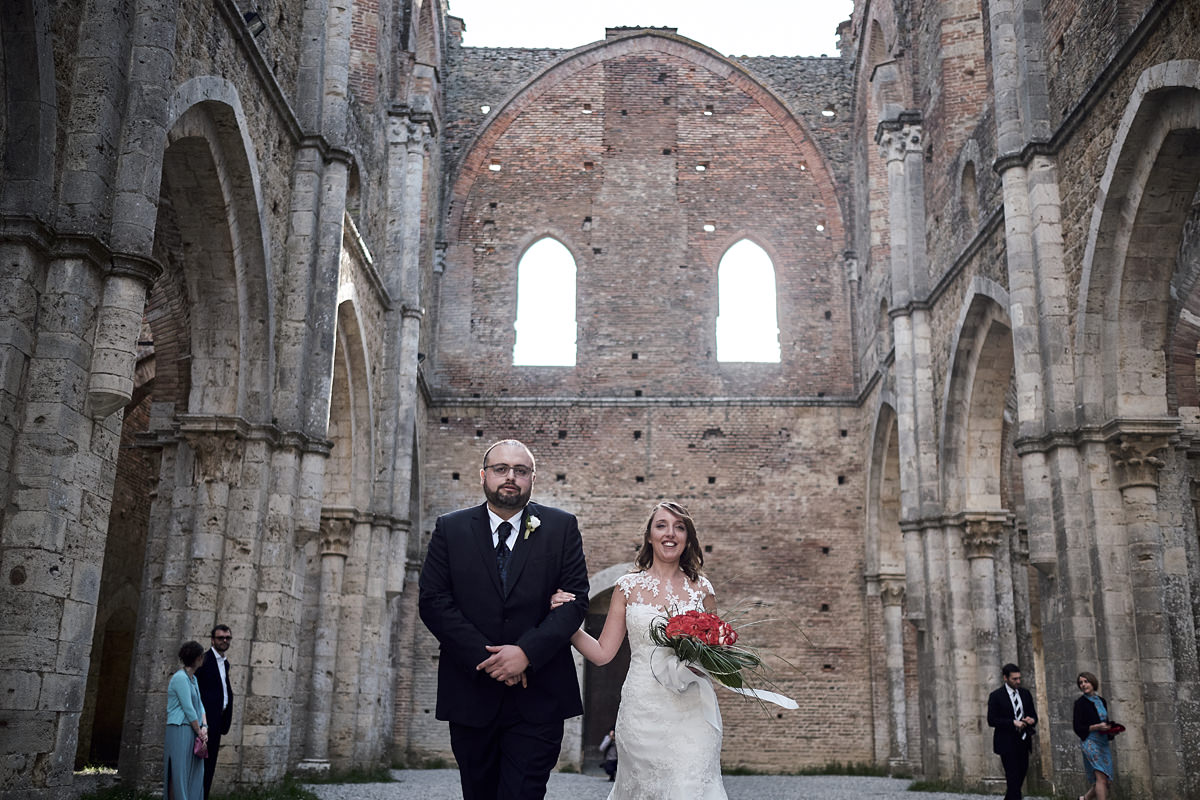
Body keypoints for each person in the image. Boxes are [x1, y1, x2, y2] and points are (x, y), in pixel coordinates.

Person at [418, 439, 590, 800]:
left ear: (532, 478)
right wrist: (492, 659)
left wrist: (526, 652)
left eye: (520, 470)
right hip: (471, 693)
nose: (510, 477)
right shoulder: (450, 529)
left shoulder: (561, 528)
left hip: (539, 696)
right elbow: (433, 603)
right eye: (501, 469)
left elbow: (576, 603)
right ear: (483, 475)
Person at [552, 501, 727, 800]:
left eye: (679, 527)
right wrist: (565, 622)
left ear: (688, 537)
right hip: (642, 710)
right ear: (649, 536)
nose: (670, 534)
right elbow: (602, 653)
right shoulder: (627, 587)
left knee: (692, 787)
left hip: (693, 709)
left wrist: (704, 659)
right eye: (661, 526)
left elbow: (716, 654)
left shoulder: (702, 589)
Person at [986, 662, 1038, 800]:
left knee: (1020, 776)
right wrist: (1012, 722)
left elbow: (1034, 715)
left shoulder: (1025, 694)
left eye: (1019, 678)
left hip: (1024, 741)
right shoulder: (996, 696)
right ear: (1005, 678)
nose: (1018, 681)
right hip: (1006, 742)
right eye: (1014, 679)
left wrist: (1031, 720)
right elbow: (991, 720)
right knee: (1013, 778)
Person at [165, 640, 208, 800]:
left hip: (193, 729)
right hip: (180, 728)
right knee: (179, 771)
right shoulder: (180, 678)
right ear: (197, 658)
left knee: (193, 770)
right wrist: (200, 731)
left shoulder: (193, 679)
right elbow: (188, 709)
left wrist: (205, 726)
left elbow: (200, 705)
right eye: (201, 656)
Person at [195, 624, 234, 799]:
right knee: (199, 764)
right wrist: (200, 721)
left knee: (210, 765)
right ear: (212, 640)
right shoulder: (204, 660)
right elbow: (195, 691)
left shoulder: (225, 664)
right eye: (220, 638)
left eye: (227, 638)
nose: (224, 641)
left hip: (217, 721)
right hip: (205, 722)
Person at [1073, 671, 1114, 800]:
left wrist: (1109, 728)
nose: (1083, 685)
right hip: (1090, 742)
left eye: (1086, 681)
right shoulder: (1080, 703)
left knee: (1106, 780)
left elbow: (1104, 720)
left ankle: (1084, 799)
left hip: (1103, 742)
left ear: (1093, 683)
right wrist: (1096, 727)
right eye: (1081, 683)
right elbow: (1077, 727)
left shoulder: (1101, 701)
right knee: (1101, 777)